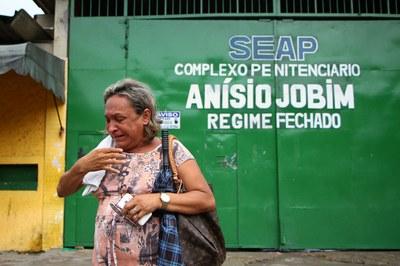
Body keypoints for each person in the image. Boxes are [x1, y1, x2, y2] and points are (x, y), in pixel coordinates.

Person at [57, 78, 216, 265]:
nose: (111, 128)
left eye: (119, 119)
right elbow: (62, 191)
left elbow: (206, 199)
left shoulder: (170, 151)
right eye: (107, 120)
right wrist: (80, 167)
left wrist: (157, 199)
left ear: (145, 116)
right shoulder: (104, 152)